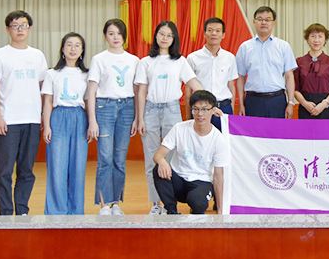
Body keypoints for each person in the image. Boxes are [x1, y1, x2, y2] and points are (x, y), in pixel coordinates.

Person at [135, 21, 203, 215]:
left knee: (172, 159)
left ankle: (168, 204)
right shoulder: (145, 62)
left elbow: (193, 82)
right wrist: (140, 118)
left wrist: (208, 100)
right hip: (150, 111)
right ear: (156, 36)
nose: (164, 38)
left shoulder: (180, 61)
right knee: (151, 159)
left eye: (169, 35)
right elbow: (141, 92)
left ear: (174, 39)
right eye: (161, 34)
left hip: (172, 110)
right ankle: (155, 204)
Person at [0, 10, 48, 215]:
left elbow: (42, 87)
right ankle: (5, 213)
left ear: (29, 28)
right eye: (15, 26)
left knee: (26, 170)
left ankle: (21, 211)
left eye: (24, 25)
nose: (20, 29)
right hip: (8, 121)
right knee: (4, 171)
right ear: (8, 29)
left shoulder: (37, 55)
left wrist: (42, 117)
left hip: (31, 120)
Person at [87, 19, 140, 215]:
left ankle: (116, 203)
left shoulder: (134, 60)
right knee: (105, 158)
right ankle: (104, 205)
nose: (115, 37)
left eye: (119, 33)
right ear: (105, 36)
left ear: (124, 36)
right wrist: (92, 120)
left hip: (127, 108)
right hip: (104, 108)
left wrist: (137, 117)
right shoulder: (99, 59)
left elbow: (137, 90)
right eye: (111, 33)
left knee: (119, 159)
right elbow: (91, 91)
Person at [153, 90, 229, 214]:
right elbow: (158, 155)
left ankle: (196, 208)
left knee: (198, 202)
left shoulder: (219, 140)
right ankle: (171, 211)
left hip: (201, 181)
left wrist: (220, 210)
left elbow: (218, 176)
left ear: (213, 110)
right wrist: (162, 161)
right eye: (196, 109)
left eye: (205, 109)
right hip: (178, 180)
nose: (200, 114)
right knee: (158, 169)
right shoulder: (179, 128)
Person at [41, 32, 89, 215]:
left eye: (77, 45)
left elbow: (89, 101)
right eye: (69, 45)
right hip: (59, 116)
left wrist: (91, 123)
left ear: (82, 50)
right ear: (62, 49)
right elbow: (47, 101)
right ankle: (56, 211)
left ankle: (76, 211)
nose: (73, 49)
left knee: (78, 167)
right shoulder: (52, 73)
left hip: (79, 117)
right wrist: (47, 126)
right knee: (57, 165)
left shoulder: (87, 74)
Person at [236, 6, 297, 118]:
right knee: (254, 129)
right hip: (253, 101)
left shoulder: (283, 46)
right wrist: (241, 104)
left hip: (277, 100)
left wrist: (290, 103)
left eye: (268, 19)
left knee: (277, 129)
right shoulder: (245, 47)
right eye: (260, 19)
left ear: (273, 23)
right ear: (254, 22)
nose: (264, 22)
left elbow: (289, 77)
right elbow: (241, 77)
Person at [186, 17, 238, 130]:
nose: (214, 33)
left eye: (218, 31)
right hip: (201, 109)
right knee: (200, 139)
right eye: (210, 30)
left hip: (224, 107)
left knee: (223, 139)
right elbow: (188, 89)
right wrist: (188, 115)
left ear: (223, 35)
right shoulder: (193, 58)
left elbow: (231, 86)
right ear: (204, 33)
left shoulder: (230, 58)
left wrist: (231, 110)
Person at [294, 23, 329, 119]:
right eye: (313, 36)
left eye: (320, 36)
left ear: (325, 39)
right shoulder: (299, 61)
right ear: (307, 39)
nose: (316, 40)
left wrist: (324, 104)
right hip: (306, 107)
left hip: (327, 106)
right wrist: (304, 103)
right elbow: (295, 89)